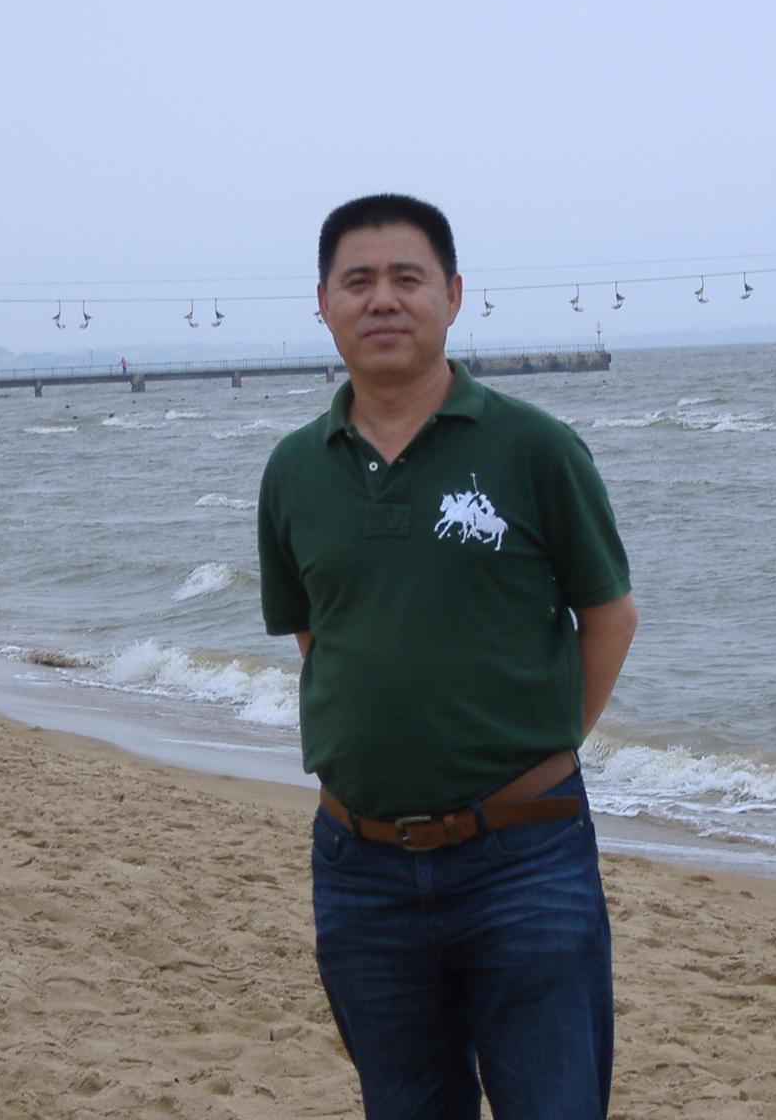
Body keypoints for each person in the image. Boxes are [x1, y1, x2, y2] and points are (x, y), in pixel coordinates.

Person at [257, 195, 637, 1120]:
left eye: (407, 278)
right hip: (359, 868)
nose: (383, 299)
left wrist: (538, 753)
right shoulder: (294, 471)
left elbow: (609, 618)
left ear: (454, 296)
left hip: (526, 861)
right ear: (323, 304)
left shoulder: (536, 449)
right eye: (358, 281)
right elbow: (322, 637)